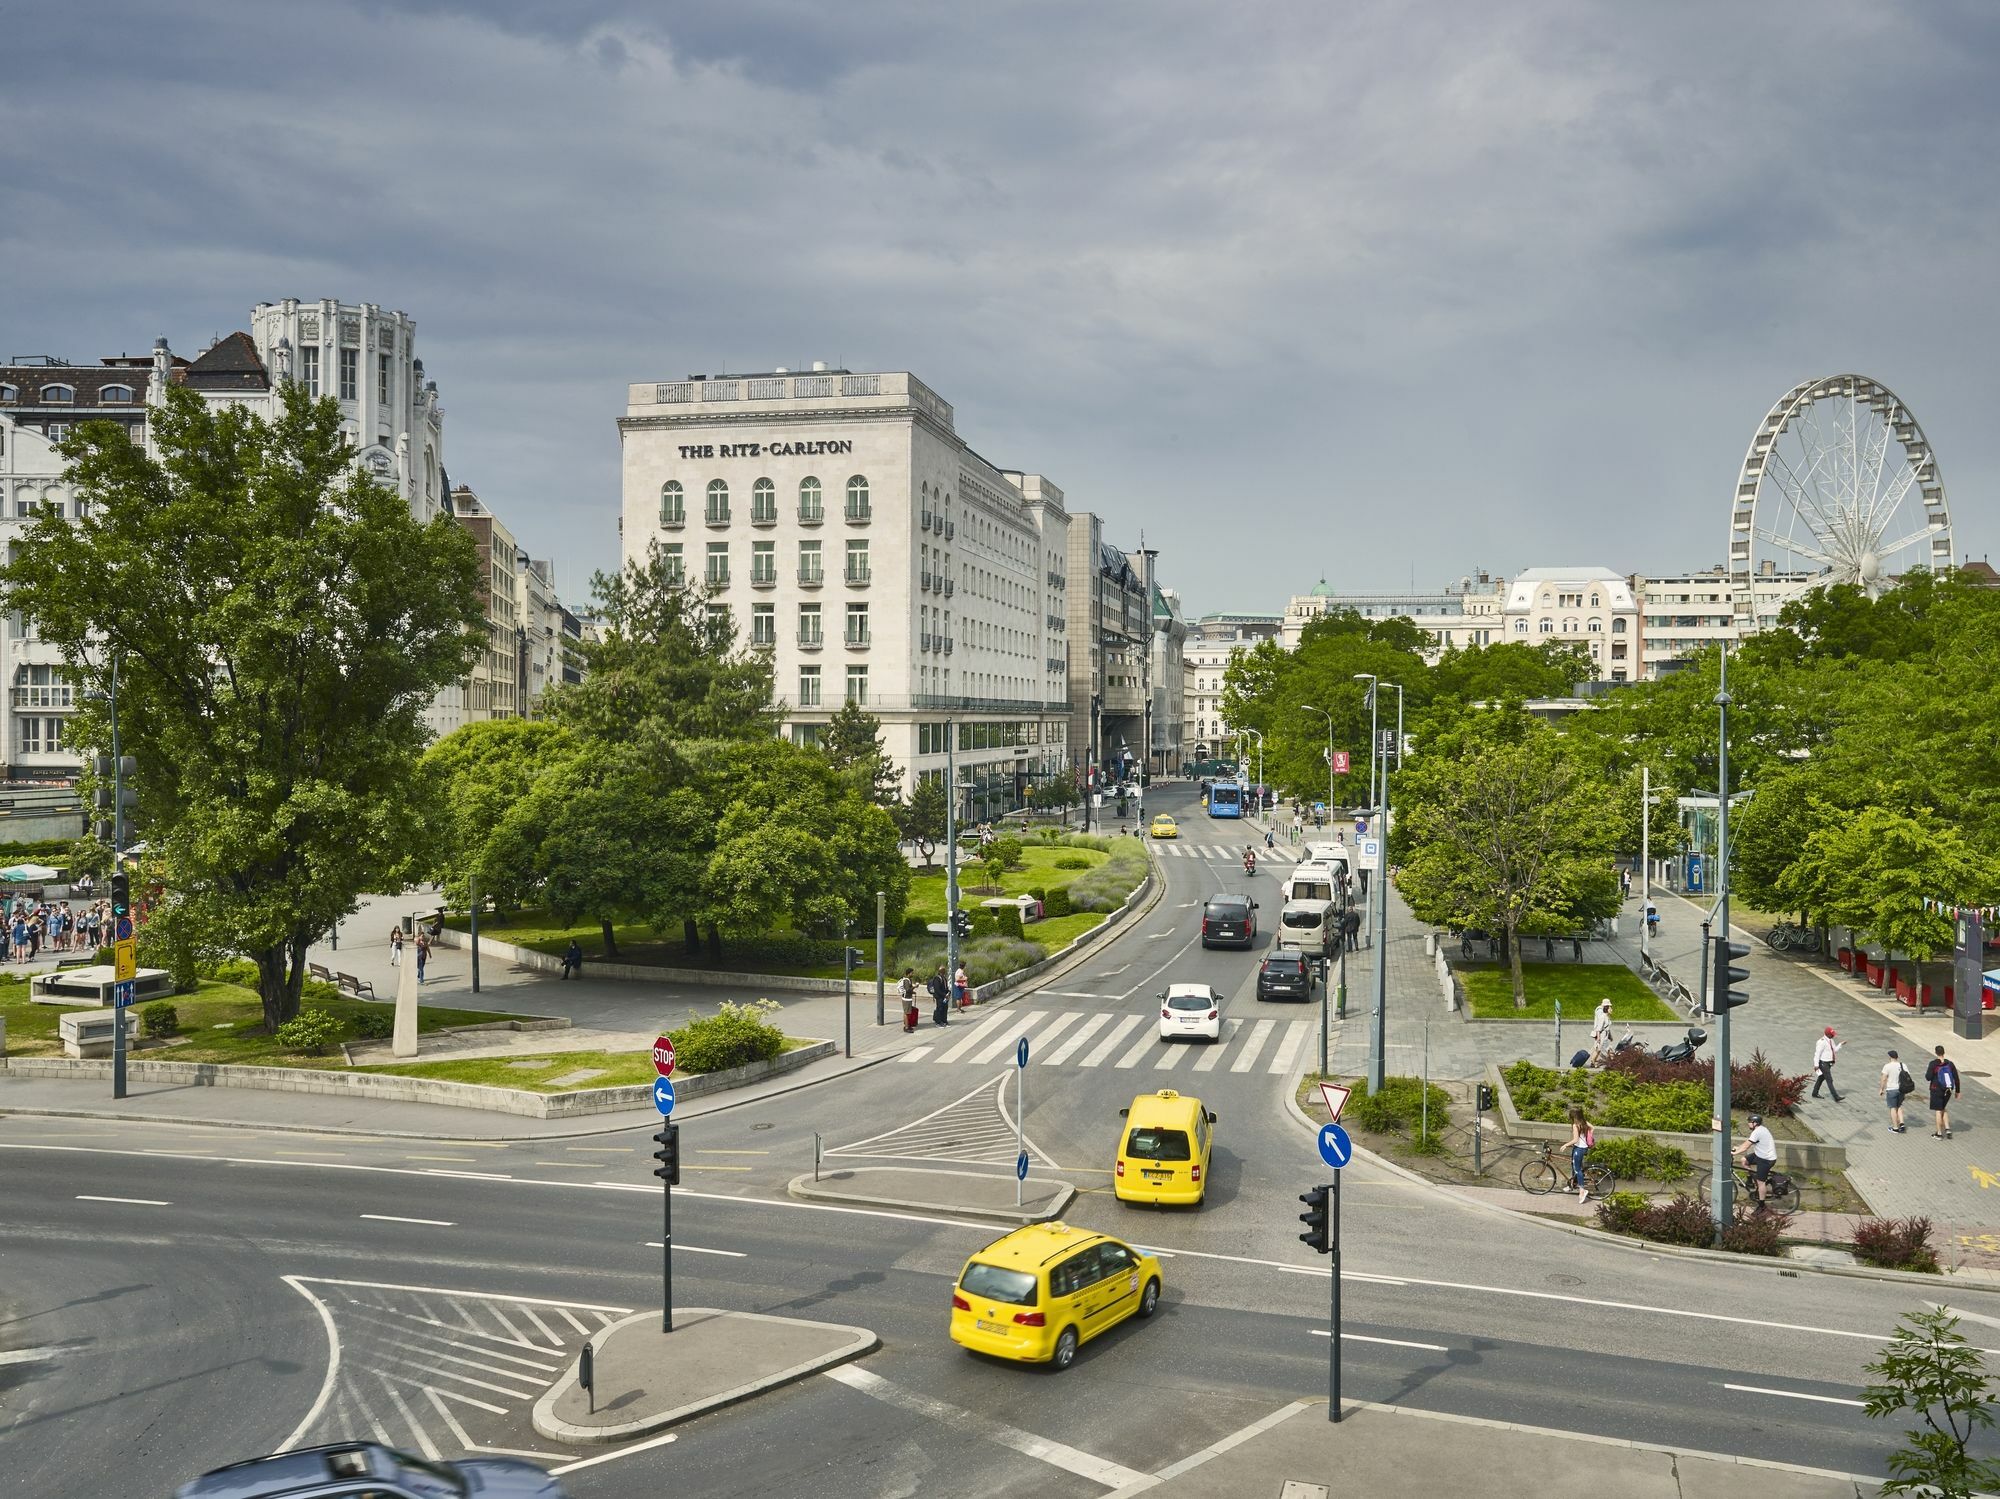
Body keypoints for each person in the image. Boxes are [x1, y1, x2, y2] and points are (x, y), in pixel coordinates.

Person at [1733, 1112, 1778, 1211]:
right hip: (1760, 1155)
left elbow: (1746, 1146)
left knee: (1761, 1182)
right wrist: (1738, 1148)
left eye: (1749, 1122)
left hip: (1767, 1159)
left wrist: (1734, 1153)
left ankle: (1762, 1206)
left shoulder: (1758, 1132)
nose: (1748, 1124)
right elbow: (1748, 1142)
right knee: (1744, 1160)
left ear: (1754, 1123)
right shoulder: (1760, 1129)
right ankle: (1750, 1181)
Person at [1926, 1045, 1961, 1138]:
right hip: (1948, 1090)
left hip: (1936, 1090)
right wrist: (1957, 1091)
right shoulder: (1950, 1064)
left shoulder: (1933, 1064)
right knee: (1943, 1108)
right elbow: (1956, 1079)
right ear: (1944, 1052)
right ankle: (1948, 1129)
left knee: (1938, 1110)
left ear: (1936, 1052)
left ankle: (1939, 1133)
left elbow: (1928, 1077)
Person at [1566, 1107, 1596, 1203]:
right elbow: (1593, 1128)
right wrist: (1588, 1136)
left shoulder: (1576, 1125)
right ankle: (1572, 1184)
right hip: (1582, 1148)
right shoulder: (1584, 1122)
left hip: (1579, 1149)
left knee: (1577, 1169)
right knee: (1573, 1165)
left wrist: (1565, 1145)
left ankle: (1582, 1190)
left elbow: (1575, 1140)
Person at [1879, 1048, 1912, 1134]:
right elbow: (1908, 1076)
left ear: (1890, 1057)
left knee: (1893, 1108)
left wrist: (1881, 1089)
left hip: (1891, 1089)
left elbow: (1883, 1078)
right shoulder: (1903, 1065)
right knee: (1899, 1106)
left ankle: (1895, 1127)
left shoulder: (1887, 1066)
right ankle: (1902, 1123)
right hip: (1901, 1089)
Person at [1811, 1025, 1843, 1101]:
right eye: (1832, 1034)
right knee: (1829, 1080)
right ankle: (1836, 1097)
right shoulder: (1821, 1042)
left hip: (1829, 1063)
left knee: (1821, 1078)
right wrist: (1816, 1065)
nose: (1833, 1036)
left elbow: (1834, 1050)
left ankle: (1814, 1093)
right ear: (1828, 1034)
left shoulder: (1831, 1040)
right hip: (1823, 1063)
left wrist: (1840, 1045)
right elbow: (1817, 1054)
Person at [1590, 998, 1614, 1063]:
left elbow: (1607, 1028)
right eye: (1610, 1008)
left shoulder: (1607, 1016)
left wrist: (1610, 1036)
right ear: (1606, 1008)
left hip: (1605, 1034)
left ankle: (1612, 1061)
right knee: (1598, 1049)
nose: (1611, 1009)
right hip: (1602, 1034)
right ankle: (1593, 1061)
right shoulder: (1602, 1016)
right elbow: (1599, 1028)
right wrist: (1598, 1038)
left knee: (1606, 1048)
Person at [898, 968, 920, 1033]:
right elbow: (907, 990)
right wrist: (915, 987)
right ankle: (907, 1027)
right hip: (906, 999)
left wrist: (913, 992)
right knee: (906, 1013)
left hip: (907, 998)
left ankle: (907, 1025)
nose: (913, 974)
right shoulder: (906, 980)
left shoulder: (908, 980)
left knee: (907, 1012)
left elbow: (908, 990)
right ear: (909, 973)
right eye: (912, 973)